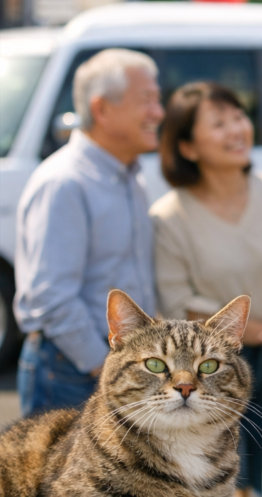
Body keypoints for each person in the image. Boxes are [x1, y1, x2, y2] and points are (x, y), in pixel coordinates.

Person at [149, 81, 262, 496]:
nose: (237, 130)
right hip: (204, 367)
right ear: (188, 147)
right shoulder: (169, 216)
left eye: (239, 117)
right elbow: (176, 302)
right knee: (223, 478)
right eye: (218, 123)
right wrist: (254, 330)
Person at [14, 48, 163, 416]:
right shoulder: (64, 182)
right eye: (146, 100)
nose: (158, 113)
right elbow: (51, 299)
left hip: (119, 366)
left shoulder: (130, 176)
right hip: (74, 368)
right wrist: (104, 367)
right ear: (102, 109)